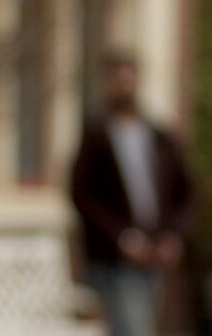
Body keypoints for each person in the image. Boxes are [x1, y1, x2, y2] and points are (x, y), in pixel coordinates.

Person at [69, 49, 195, 336]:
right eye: (119, 80)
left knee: (139, 322)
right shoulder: (96, 136)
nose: (125, 87)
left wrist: (173, 234)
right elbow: (82, 196)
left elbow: (185, 192)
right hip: (113, 257)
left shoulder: (159, 138)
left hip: (153, 252)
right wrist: (121, 236)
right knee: (132, 328)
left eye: (130, 80)